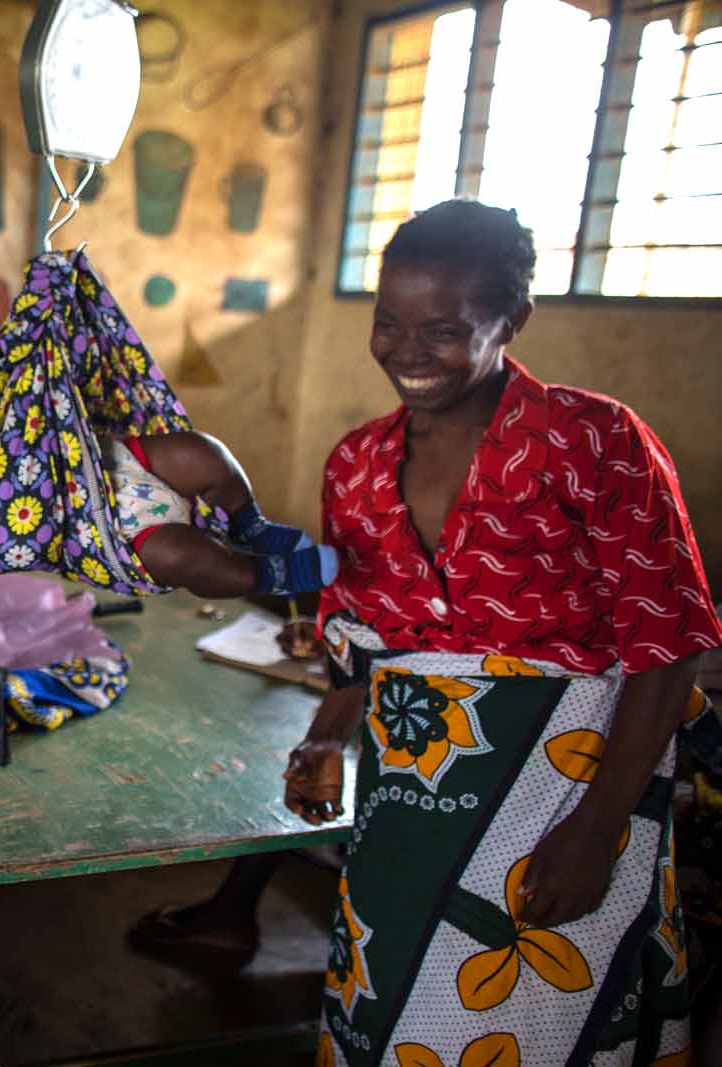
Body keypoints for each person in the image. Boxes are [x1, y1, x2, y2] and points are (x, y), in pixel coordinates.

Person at [277, 200, 721, 1065]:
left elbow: (669, 648)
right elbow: (366, 645)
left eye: (442, 330)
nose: (407, 352)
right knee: (390, 1014)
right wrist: (323, 739)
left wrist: (596, 829)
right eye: (389, 323)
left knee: (547, 1020)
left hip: (574, 790)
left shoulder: (596, 441)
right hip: (414, 801)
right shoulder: (356, 464)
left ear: (511, 320)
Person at [0, 251, 335, 599]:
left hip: (113, 461)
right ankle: (268, 577)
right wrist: (5, 421)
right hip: (115, 532)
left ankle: (250, 523)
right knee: (186, 559)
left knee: (201, 453)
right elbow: (25, 488)